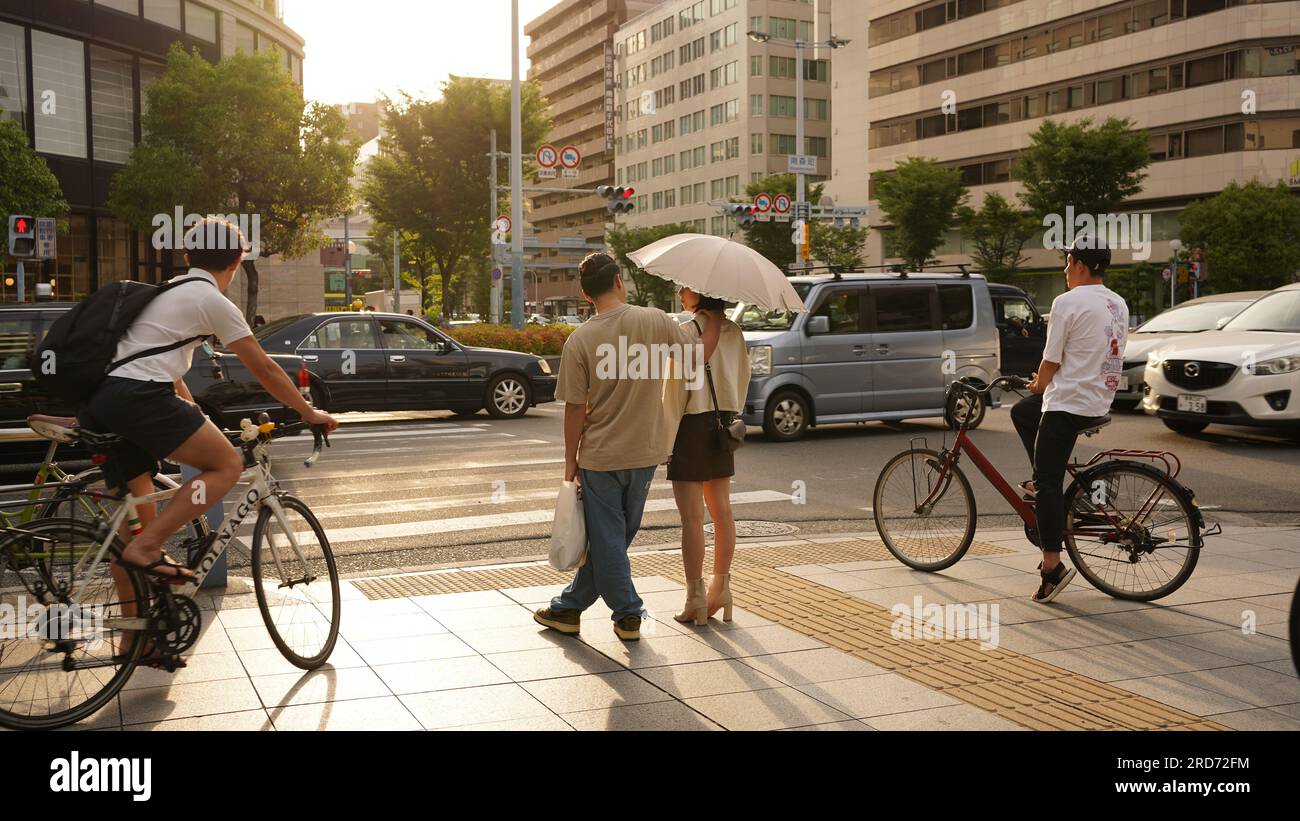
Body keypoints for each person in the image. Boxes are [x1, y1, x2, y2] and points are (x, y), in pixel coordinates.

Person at [79, 218, 338, 665]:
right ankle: (151, 546)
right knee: (226, 466)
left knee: (132, 524)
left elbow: (164, 363)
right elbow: (266, 370)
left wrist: (192, 408)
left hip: (104, 400)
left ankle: (135, 639)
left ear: (186, 258)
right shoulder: (210, 300)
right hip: (139, 399)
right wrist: (308, 411)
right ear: (236, 262)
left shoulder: (166, 294)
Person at [534, 253, 719, 641]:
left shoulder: (581, 339)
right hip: (648, 452)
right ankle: (568, 608)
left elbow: (574, 409)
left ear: (586, 297)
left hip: (601, 456)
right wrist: (713, 319)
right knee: (613, 539)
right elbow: (692, 361)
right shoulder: (655, 320)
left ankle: (628, 613)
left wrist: (570, 460)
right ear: (619, 281)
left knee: (609, 540)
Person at [1010, 237, 1128, 603]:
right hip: (1097, 398)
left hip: (1068, 403)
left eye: (1067, 262)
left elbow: (1051, 359)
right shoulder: (1117, 302)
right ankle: (1043, 484)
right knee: (1022, 412)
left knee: (1048, 485)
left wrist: (1039, 384)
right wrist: (1043, 388)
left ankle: (1052, 568)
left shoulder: (1067, 301)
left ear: (1078, 263)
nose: (1064, 269)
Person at [668, 287, 750, 626]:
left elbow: (673, 390)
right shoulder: (735, 331)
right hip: (723, 425)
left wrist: (666, 439)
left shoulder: (688, 331)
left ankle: (695, 597)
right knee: (722, 511)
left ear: (698, 293)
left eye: (684, 286)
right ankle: (722, 588)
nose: (679, 291)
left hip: (689, 425)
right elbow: (743, 378)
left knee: (691, 519)